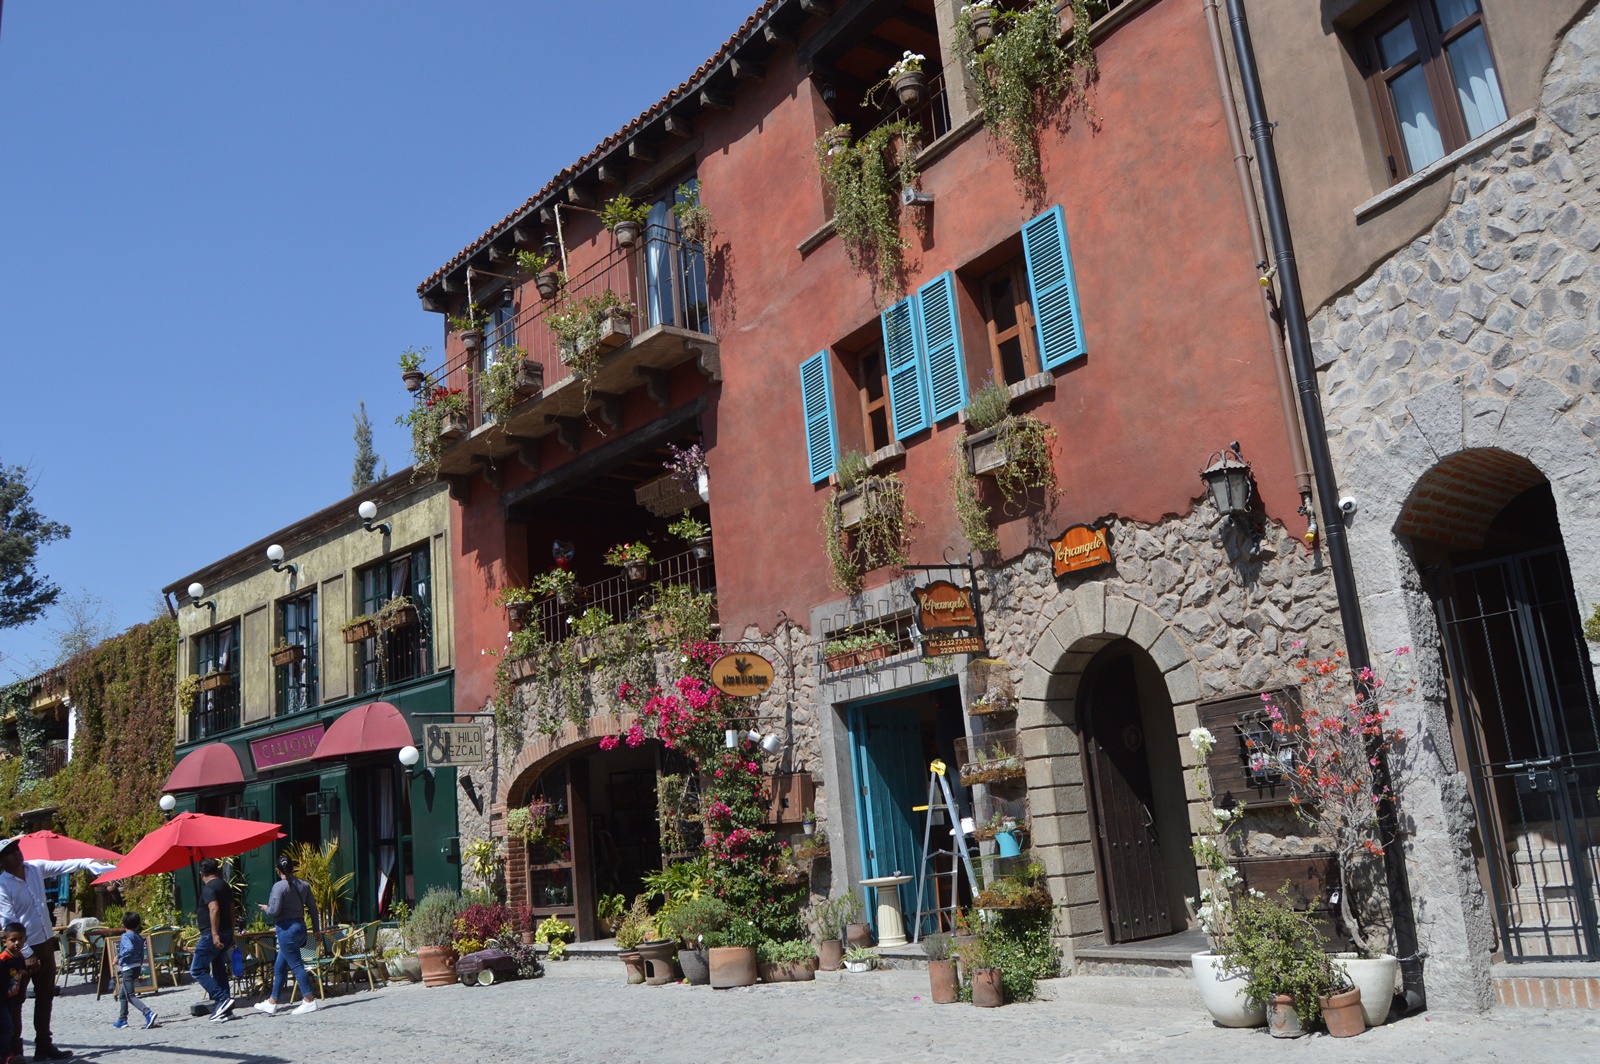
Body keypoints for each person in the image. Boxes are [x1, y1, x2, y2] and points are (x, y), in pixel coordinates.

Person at [0, 835, 115, 1060]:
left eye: (16, 849)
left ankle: (44, 1044)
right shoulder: (3, 886)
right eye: (10, 853)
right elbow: (8, 924)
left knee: (46, 996)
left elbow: (63, 865)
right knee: (16, 1000)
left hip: (45, 942)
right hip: (22, 950)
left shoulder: (34, 868)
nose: (16, 854)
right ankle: (15, 1051)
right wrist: (27, 953)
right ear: (2, 861)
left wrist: (89, 862)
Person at [253, 855, 320, 1016]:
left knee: (296, 965)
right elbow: (312, 908)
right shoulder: (304, 885)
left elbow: (274, 910)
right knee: (279, 966)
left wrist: (266, 908)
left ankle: (309, 999)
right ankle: (272, 1001)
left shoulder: (279, 887)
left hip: (285, 929)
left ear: (278, 870)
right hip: (300, 927)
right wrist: (316, 929)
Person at [191, 858, 236, 1023]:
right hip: (226, 932)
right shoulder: (225, 886)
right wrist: (232, 932)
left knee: (197, 969)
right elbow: (232, 909)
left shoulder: (209, 888)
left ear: (201, 874)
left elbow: (214, 908)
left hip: (211, 934)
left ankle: (221, 999)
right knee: (218, 968)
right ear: (217, 870)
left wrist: (214, 934)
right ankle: (225, 1009)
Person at [111, 913, 155, 1031]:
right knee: (122, 994)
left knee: (130, 996)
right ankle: (122, 1019)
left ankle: (148, 1013)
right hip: (137, 967)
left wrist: (118, 956)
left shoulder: (125, 936)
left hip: (128, 968)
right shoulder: (139, 937)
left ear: (123, 924)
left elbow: (129, 948)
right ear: (138, 924)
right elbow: (141, 953)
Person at [1, 923, 28, 1064]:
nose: (17, 943)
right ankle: (5, 1056)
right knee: (6, 1028)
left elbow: (21, 972)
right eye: (13, 940)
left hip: (11, 999)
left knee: (9, 1026)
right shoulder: (3, 959)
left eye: (20, 939)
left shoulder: (20, 957)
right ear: (4, 942)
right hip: (1, 1001)